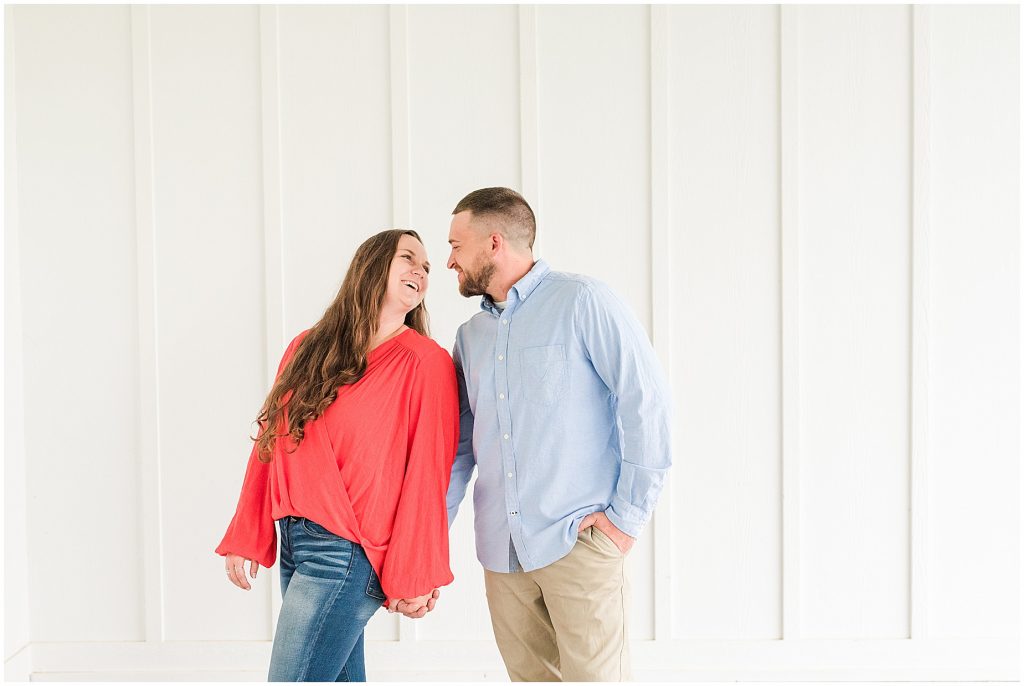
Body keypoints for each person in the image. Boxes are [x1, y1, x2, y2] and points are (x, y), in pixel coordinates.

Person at [445, 188, 672, 682]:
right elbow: (460, 448)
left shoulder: (582, 301)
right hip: (501, 553)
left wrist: (626, 520)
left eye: (456, 246)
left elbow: (645, 401)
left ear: (494, 242)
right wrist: (432, 534)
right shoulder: (470, 337)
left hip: (579, 541)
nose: (448, 261)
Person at [216, 229, 458, 682]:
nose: (421, 272)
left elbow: (428, 474)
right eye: (408, 258)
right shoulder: (306, 347)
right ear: (372, 267)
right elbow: (272, 442)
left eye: (426, 267)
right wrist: (248, 532)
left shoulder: (426, 362)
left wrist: (414, 572)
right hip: (295, 541)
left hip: (349, 554)